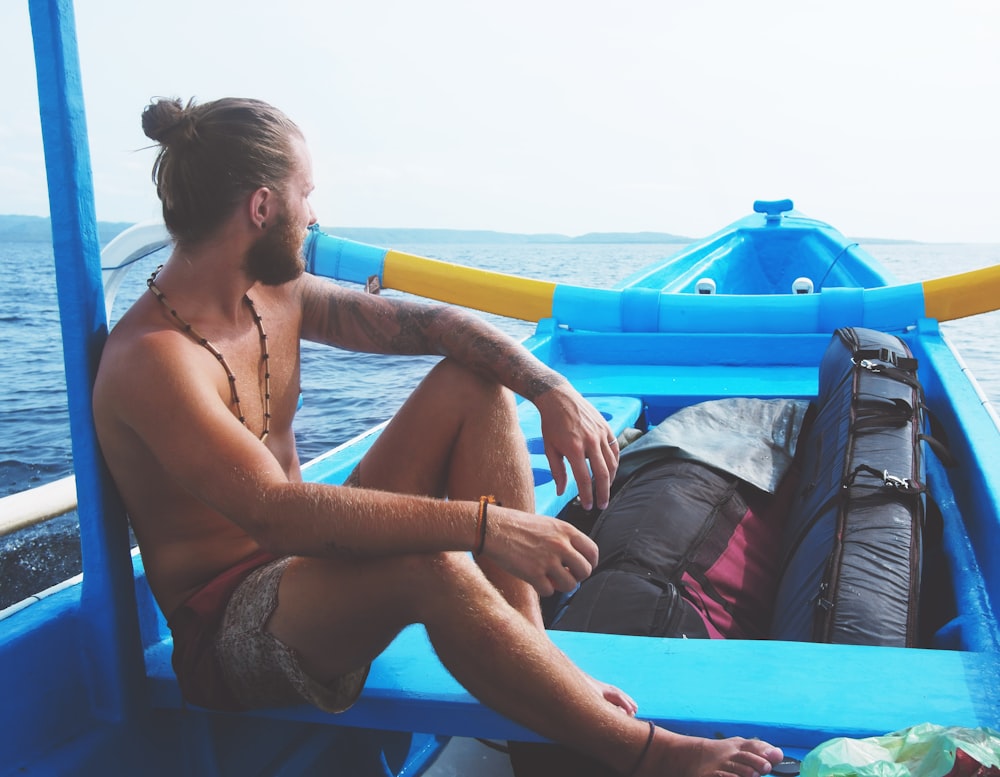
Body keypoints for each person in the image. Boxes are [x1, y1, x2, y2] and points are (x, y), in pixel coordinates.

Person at [92, 96, 784, 777]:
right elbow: (275, 513)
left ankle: (532, 658)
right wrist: (485, 526)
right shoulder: (155, 360)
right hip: (232, 629)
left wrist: (550, 389)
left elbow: (435, 327)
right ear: (262, 207)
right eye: (307, 195)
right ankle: (647, 753)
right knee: (435, 559)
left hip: (308, 570)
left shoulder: (274, 291)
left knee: (470, 377)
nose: (315, 216)